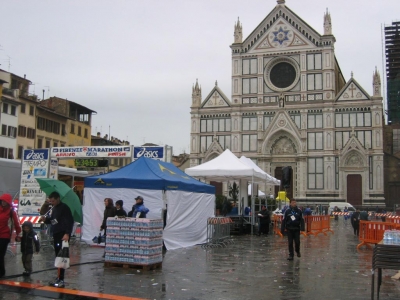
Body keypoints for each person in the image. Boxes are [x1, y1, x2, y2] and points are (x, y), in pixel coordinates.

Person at [39, 191, 74, 288]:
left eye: (53, 201)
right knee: (58, 257)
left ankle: (61, 279)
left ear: (58, 199)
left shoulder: (64, 208)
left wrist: (67, 233)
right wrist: (45, 220)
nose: (52, 203)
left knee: (62, 257)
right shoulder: (55, 209)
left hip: (63, 235)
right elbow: (54, 221)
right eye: (51, 201)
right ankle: (59, 277)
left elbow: (69, 221)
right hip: (56, 234)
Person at [0, 193, 22, 278]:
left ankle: (1, 272)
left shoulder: (11, 212)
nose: (3, 203)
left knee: (0, 255)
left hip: (4, 236)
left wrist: (19, 235)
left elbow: (17, 224)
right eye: (2, 201)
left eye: (5, 201)